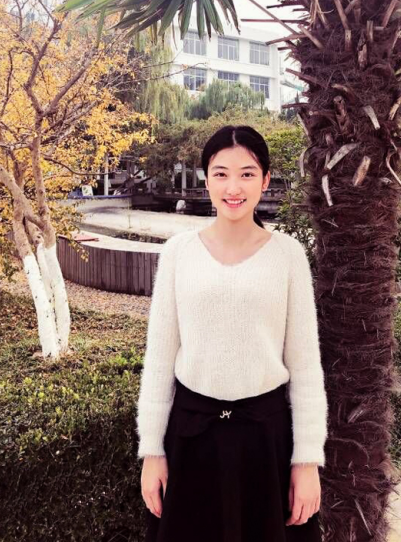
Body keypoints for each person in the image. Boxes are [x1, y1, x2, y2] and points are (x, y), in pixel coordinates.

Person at [137, 125, 328, 542]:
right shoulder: (178, 253)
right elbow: (159, 360)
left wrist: (307, 460)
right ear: (206, 179)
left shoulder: (288, 256)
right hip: (191, 439)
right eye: (221, 173)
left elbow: (305, 366)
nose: (233, 187)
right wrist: (152, 451)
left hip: (266, 441)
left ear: (265, 179)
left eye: (247, 173)